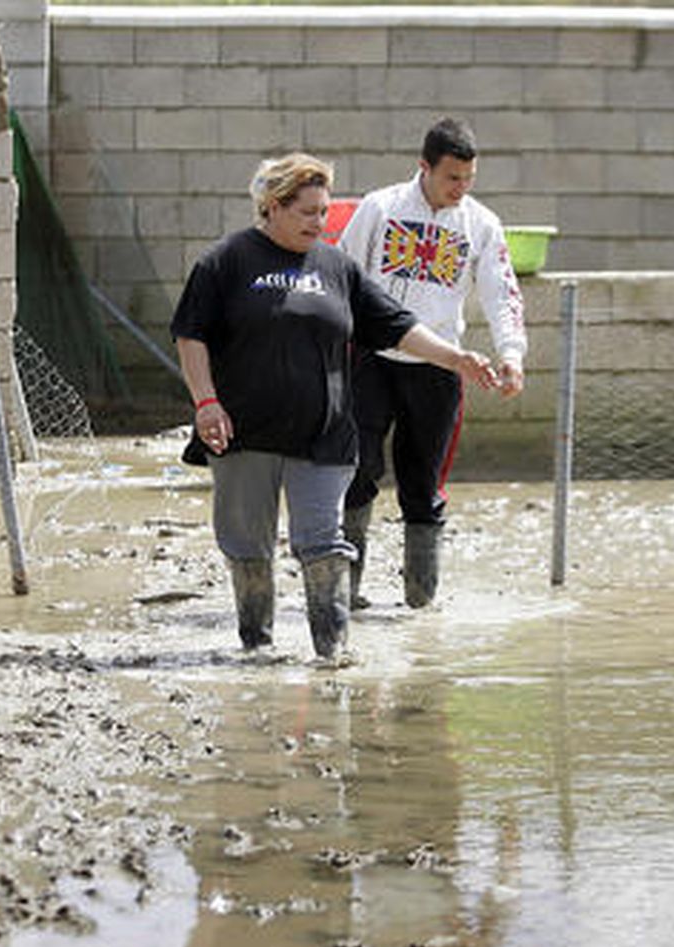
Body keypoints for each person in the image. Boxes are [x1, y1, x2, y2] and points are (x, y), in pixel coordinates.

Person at [172, 152, 497, 661]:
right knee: (248, 547)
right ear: (272, 208)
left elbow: (395, 325)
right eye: (307, 213)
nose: (319, 223)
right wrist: (206, 402)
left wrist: (455, 357)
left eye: (324, 212)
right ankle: (257, 647)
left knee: (324, 544)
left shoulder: (336, 268)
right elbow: (190, 334)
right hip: (242, 433)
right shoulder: (226, 261)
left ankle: (333, 651)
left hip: (323, 435)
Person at [338, 117, 528, 609]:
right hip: (371, 360)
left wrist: (511, 353)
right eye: (451, 179)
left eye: (468, 179)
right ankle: (345, 594)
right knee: (358, 472)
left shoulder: (480, 224)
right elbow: (342, 276)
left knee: (423, 484)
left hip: (440, 366)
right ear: (423, 167)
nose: (460, 189)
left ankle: (420, 601)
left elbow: (501, 292)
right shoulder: (379, 209)